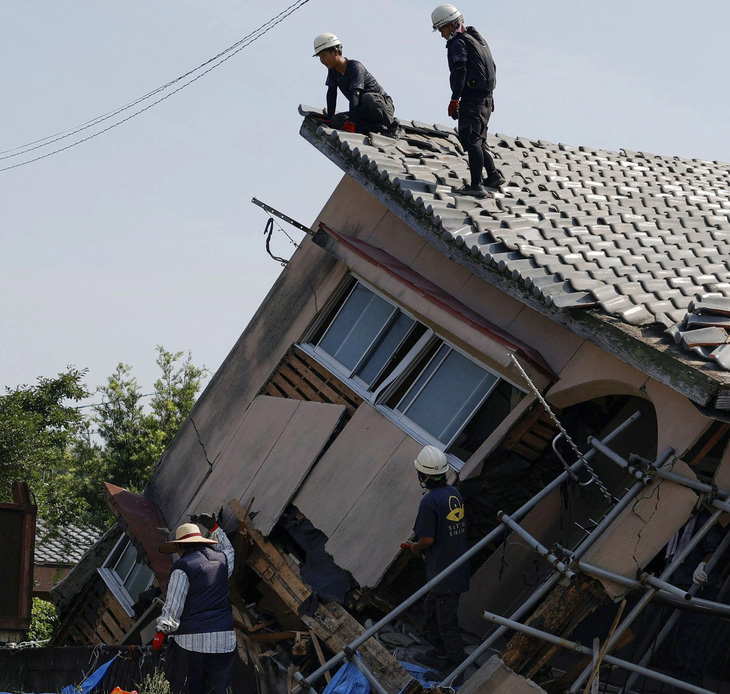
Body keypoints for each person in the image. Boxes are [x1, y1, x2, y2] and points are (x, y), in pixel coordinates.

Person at [153, 512, 235, 694]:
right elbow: (229, 550)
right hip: (225, 639)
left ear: (181, 546)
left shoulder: (183, 567)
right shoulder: (222, 561)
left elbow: (174, 605)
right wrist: (215, 529)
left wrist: (161, 631)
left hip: (191, 643)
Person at [408, 445, 469, 679]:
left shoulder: (429, 502)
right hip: (454, 567)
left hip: (446, 572)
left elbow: (427, 539)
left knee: (446, 622)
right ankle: (440, 653)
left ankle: (456, 669)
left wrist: (415, 547)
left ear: (422, 475)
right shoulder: (454, 494)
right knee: (431, 610)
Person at [431, 4, 504, 197]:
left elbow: (460, 70)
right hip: (487, 101)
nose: (442, 35)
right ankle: (494, 175)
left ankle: (476, 186)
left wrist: (455, 99)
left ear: (451, 24)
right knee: (479, 140)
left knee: (471, 141)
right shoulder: (477, 39)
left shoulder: (459, 43)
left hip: (472, 100)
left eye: (442, 29)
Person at [663, 506, 726, 688]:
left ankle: (687, 687)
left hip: (699, 590)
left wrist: (703, 565)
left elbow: (714, 548)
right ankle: (681, 685)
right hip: (679, 586)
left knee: (690, 648)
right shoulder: (678, 521)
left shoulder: (702, 518)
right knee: (679, 646)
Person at [312, 32, 402, 139]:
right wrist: (330, 117)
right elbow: (332, 93)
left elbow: (356, 94)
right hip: (362, 110)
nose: (322, 61)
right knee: (337, 120)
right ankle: (379, 128)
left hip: (379, 106)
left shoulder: (355, 66)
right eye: (320, 57)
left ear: (335, 52)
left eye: (324, 56)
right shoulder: (333, 71)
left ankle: (394, 126)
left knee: (367, 98)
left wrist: (353, 120)